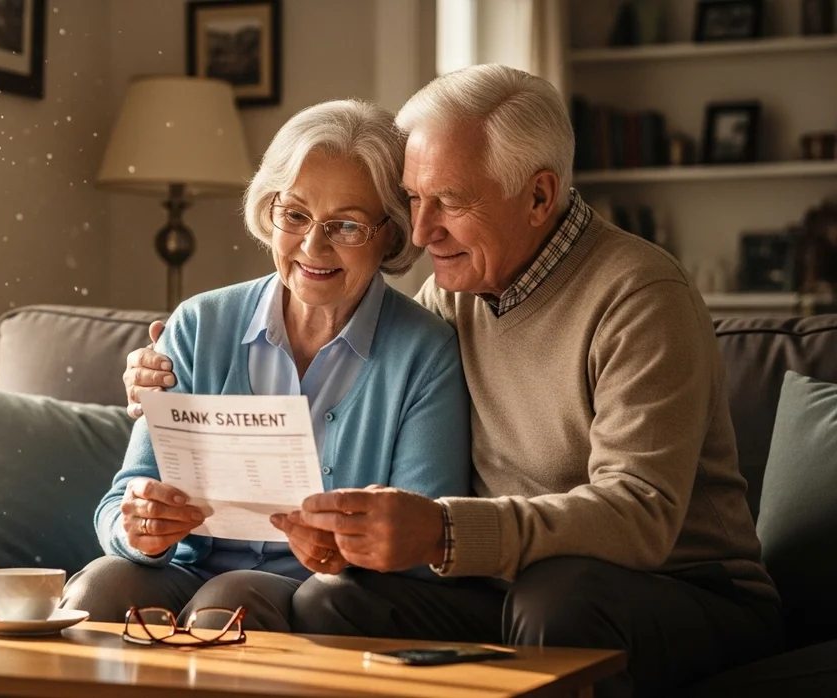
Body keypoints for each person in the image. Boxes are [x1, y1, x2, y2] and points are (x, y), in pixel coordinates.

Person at [121, 65, 782, 697]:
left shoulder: (639, 295)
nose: (420, 228)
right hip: (494, 584)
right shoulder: (451, 298)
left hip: (681, 589)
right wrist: (160, 378)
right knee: (332, 601)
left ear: (540, 195)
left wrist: (442, 531)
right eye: (413, 199)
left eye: (450, 202)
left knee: (557, 598)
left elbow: (640, 516)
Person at [61, 99, 473, 632]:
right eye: (295, 214)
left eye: (346, 225)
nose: (313, 245)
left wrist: (348, 548)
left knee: (230, 597)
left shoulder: (425, 351)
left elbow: (423, 544)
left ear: (391, 234)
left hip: (315, 592)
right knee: (100, 584)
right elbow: (123, 496)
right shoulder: (198, 324)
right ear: (269, 209)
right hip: (183, 571)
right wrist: (136, 527)